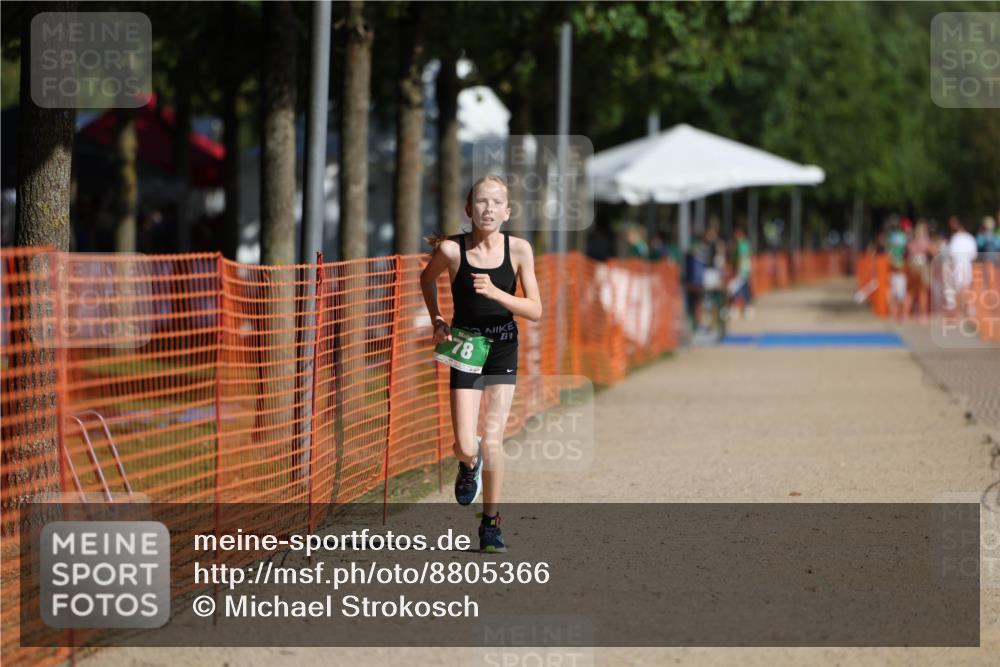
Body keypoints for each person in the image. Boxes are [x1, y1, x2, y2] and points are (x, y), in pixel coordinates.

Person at [419, 175, 542, 553]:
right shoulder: (453, 251)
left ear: (507, 211)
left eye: (496, 203)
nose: (489, 209)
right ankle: (467, 465)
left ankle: (491, 524)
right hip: (466, 344)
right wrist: (437, 318)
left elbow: (535, 310)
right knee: (464, 443)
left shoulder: (519, 249)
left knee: (492, 439)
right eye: (482, 202)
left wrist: (497, 293)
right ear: (469, 209)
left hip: (503, 344)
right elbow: (426, 279)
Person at [945, 216, 978, 317]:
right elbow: (974, 255)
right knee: (965, 288)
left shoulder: (956, 238)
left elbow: (951, 254)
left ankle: (959, 310)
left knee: (959, 289)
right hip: (966, 265)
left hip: (958, 266)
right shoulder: (970, 238)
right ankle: (964, 310)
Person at [905, 218, 933, 324]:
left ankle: (911, 314)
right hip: (919, 267)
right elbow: (931, 252)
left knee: (916, 292)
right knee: (918, 292)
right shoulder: (923, 242)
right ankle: (918, 314)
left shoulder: (913, 242)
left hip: (917, 266)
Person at [886, 218, 910, 322]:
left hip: (897, 268)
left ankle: (898, 314)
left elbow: (891, 251)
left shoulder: (895, 236)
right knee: (898, 294)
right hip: (898, 268)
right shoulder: (900, 237)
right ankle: (898, 314)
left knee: (897, 294)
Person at [727, 225, 753, 319]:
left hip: (741, 271)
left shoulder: (741, 244)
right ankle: (745, 309)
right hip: (745, 271)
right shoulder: (745, 244)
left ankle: (735, 310)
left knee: (733, 289)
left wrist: (737, 270)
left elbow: (741, 258)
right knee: (742, 289)